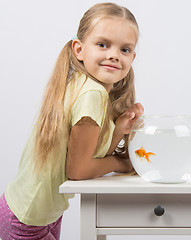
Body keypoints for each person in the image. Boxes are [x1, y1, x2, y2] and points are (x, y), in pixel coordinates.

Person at [0, 3, 143, 239]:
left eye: (125, 50)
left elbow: (88, 157)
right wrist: (121, 164)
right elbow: (78, 170)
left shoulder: (83, 85)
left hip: (36, 211)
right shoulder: (93, 94)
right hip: (27, 219)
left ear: (132, 58)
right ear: (79, 49)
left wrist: (118, 132)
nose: (114, 55)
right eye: (102, 44)